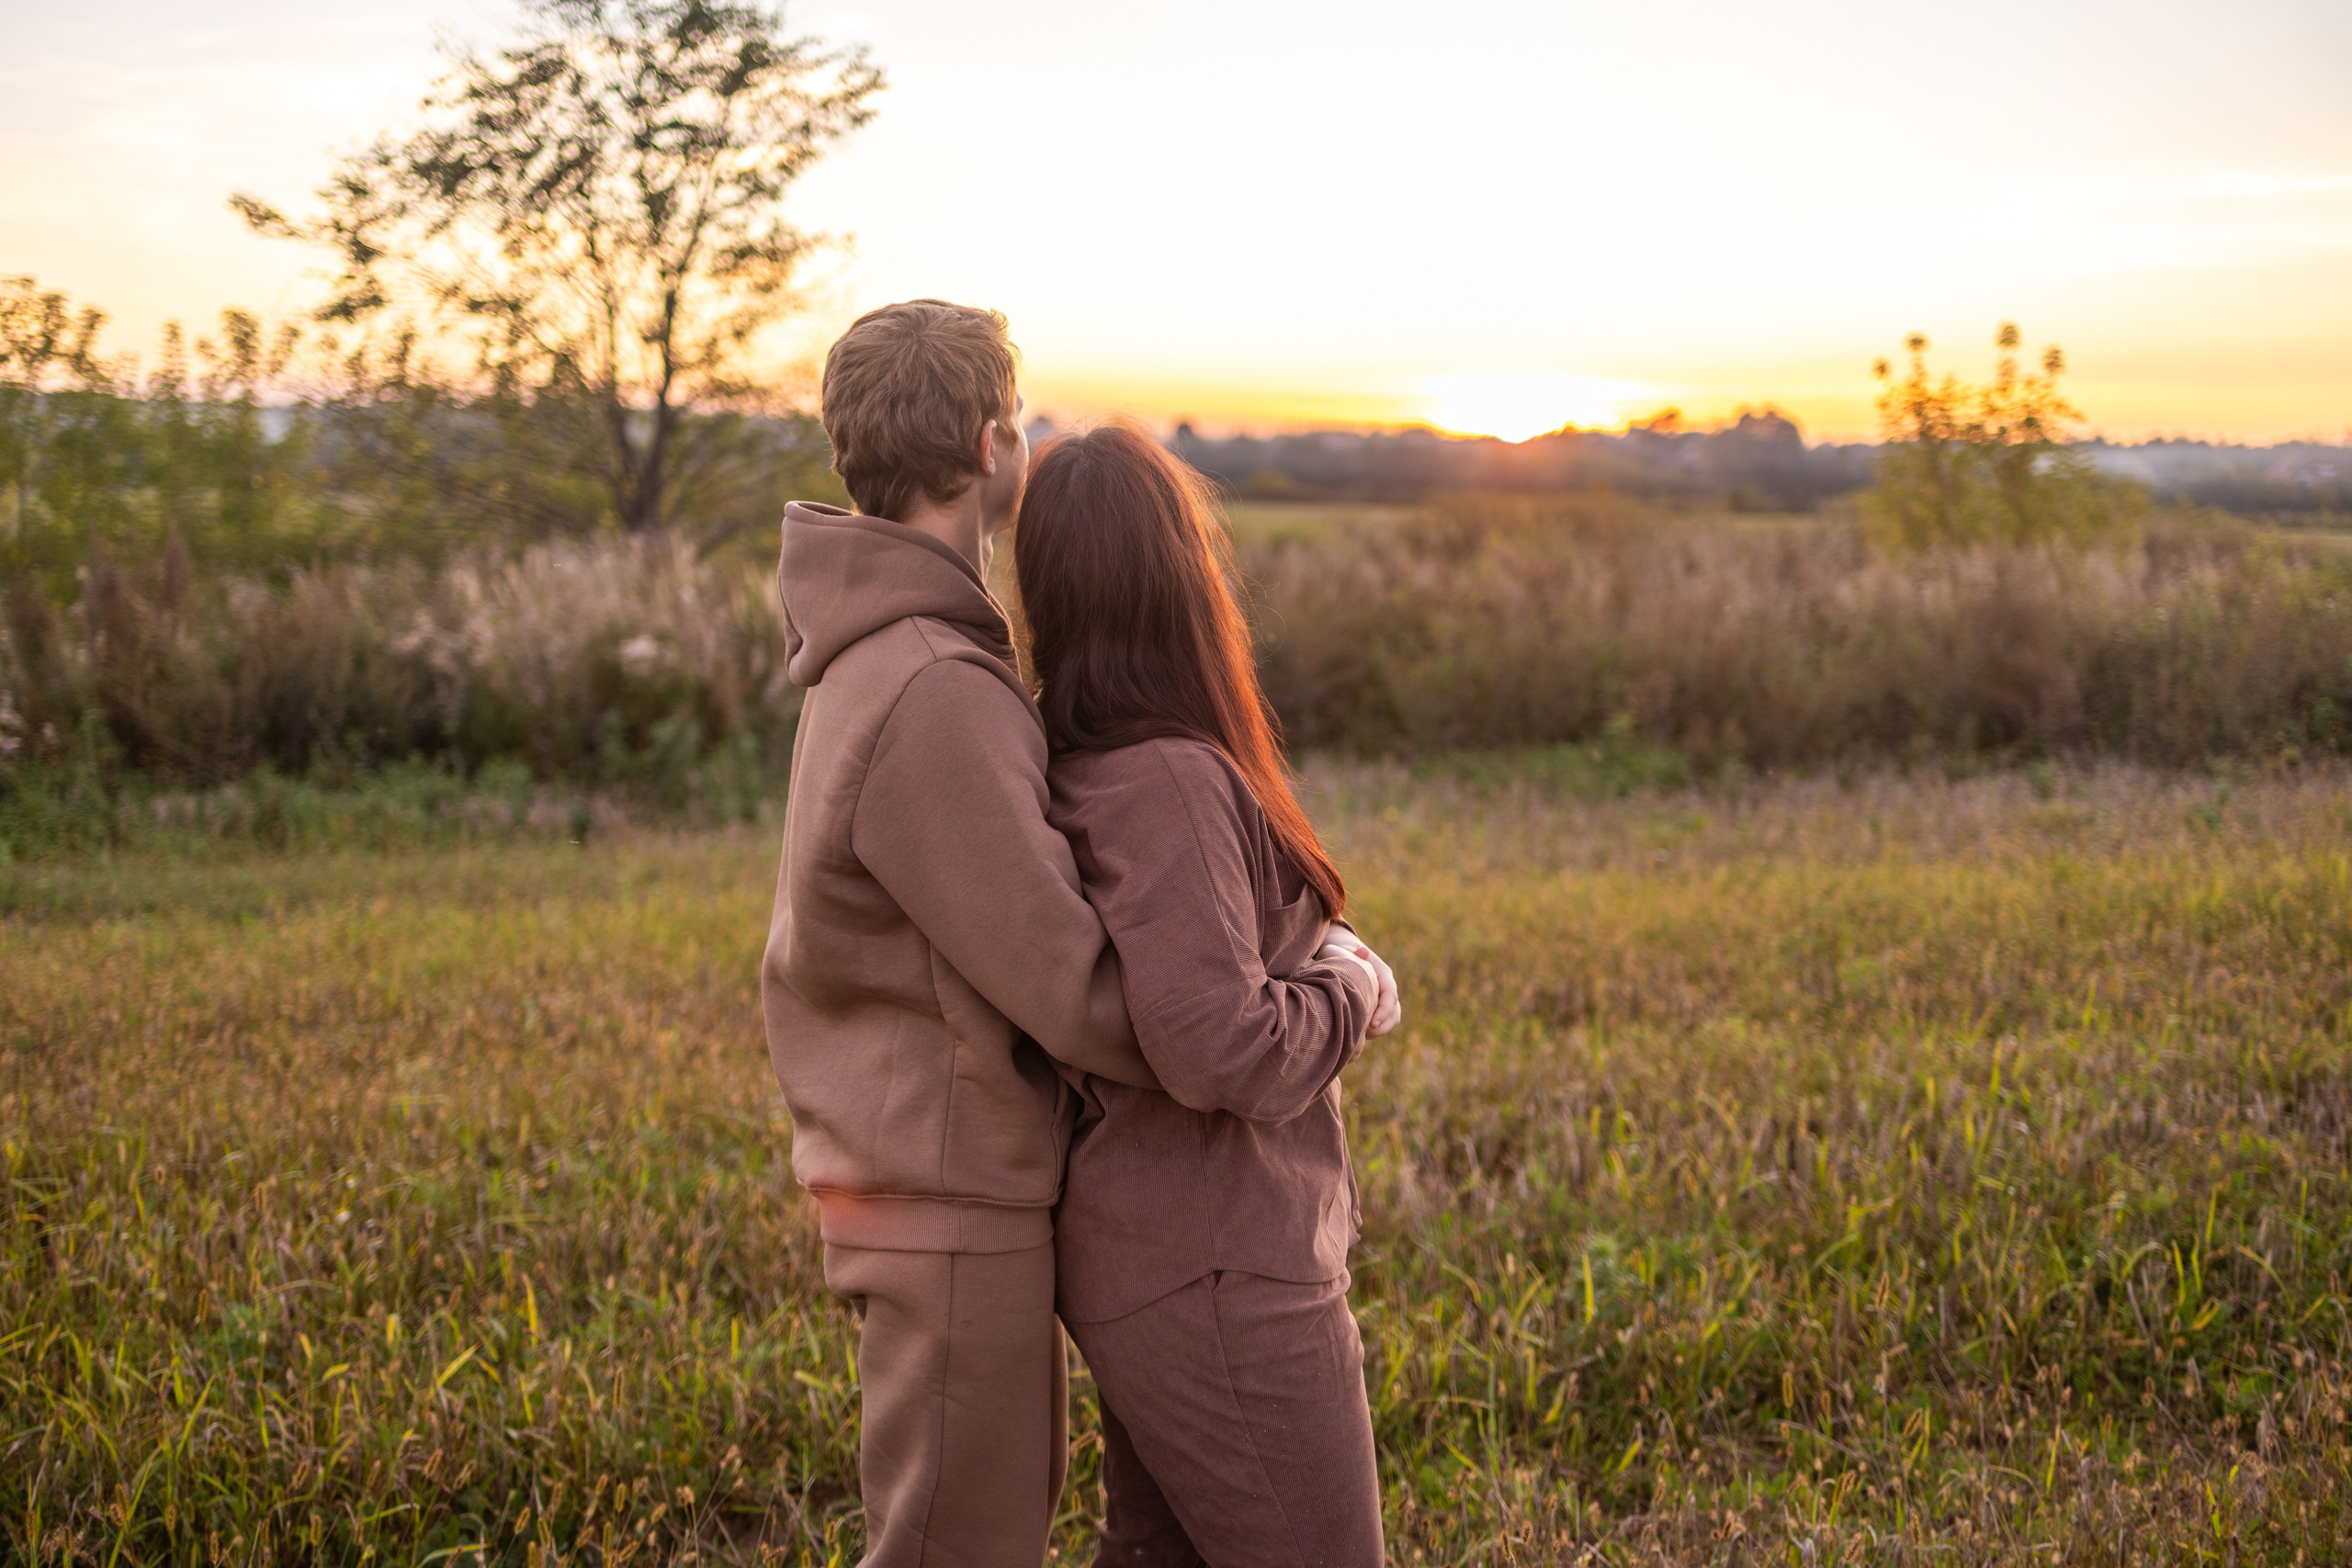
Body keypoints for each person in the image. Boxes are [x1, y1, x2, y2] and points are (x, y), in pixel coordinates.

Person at [760, 300, 1163, 1567]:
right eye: (1023, 416)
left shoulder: (888, 652)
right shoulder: (932, 680)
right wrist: (1250, 1027)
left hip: (938, 1179)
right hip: (946, 1195)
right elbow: (1068, 980)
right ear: (994, 446)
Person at [1016, 422, 1403, 1567]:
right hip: (1217, 1268)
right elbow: (1213, 1044)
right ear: (1183, 577)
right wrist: (1349, 990)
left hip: (1178, 1259)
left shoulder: (1095, 761)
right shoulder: (1169, 777)